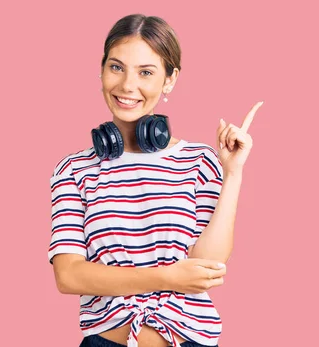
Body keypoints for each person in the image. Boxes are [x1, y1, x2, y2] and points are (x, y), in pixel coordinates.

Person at [48, 14, 262, 347]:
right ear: (101, 70)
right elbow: (69, 275)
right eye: (116, 67)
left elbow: (209, 266)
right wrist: (166, 276)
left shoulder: (199, 161)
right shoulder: (74, 170)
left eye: (146, 72)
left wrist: (233, 172)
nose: (127, 86)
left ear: (169, 80)